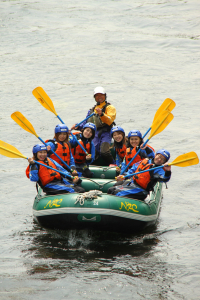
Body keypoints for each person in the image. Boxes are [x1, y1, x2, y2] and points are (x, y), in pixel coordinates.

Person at [71, 87, 116, 165]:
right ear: (94, 97)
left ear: (105, 96)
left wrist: (102, 114)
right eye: (97, 95)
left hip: (106, 132)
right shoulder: (91, 110)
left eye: (101, 95)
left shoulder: (110, 107)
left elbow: (109, 120)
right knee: (93, 151)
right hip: (93, 133)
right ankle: (93, 165)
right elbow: (85, 123)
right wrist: (77, 126)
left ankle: (114, 164)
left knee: (104, 152)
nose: (99, 97)